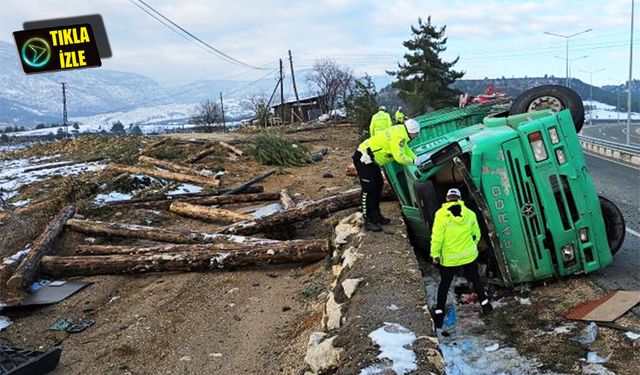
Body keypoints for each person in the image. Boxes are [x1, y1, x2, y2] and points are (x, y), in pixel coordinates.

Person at [430, 188, 492, 329]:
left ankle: (439, 314)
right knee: (475, 279)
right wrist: (471, 246)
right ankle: (485, 305)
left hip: (449, 258)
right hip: (468, 256)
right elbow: (476, 233)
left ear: (447, 198)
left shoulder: (441, 215)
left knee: (444, 285)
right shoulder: (469, 214)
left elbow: (437, 237)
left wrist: (435, 255)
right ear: (459, 198)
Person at [353, 119, 425, 232]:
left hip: (372, 161)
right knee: (369, 190)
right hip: (363, 158)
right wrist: (414, 162)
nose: (416, 136)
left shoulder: (402, 131)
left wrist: (416, 158)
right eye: (416, 134)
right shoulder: (399, 137)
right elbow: (399, 157)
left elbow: (406, 149)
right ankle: (368, 220)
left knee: (378, 185)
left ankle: (376, 215)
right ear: (412, 132)